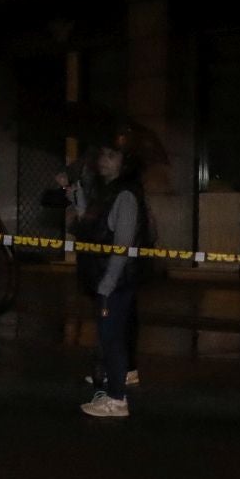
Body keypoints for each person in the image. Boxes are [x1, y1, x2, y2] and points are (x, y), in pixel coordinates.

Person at [73, 141, 145, 418]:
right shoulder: (107, 192)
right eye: (103, 153)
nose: (104, 160)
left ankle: (117, 399)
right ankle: (113, 393)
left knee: (112, 338)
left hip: (114, 280)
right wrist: (78, 195)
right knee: (108, 336)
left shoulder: (125, 195)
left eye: (111, 156)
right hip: (105, 277)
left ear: (124, 163)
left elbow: (122, 245)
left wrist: (107, 283)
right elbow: (92, 228)